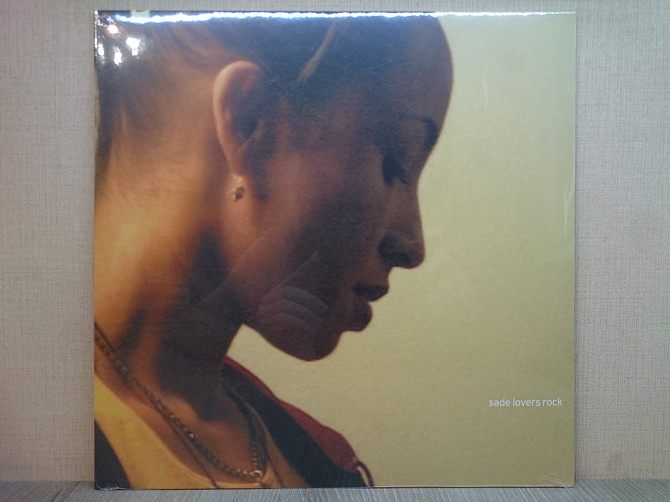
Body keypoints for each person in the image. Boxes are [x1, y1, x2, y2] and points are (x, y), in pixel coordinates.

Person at [93, 11, 452, 489]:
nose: (413, 246)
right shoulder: (25, 435)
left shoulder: (321, 458)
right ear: (251, 124)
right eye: (396, 159)